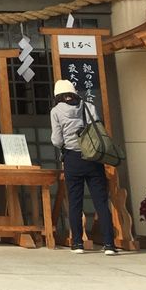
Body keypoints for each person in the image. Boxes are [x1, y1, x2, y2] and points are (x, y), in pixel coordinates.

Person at [50, 79, 117, 256]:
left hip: (72, 158)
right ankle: (109, 244)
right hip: (93, 157)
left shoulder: (56, 111)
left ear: (57, 95)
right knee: (101, 201)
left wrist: (66, 142)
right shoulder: (88, 107)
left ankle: (78, 243)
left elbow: (57, 140)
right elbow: (98, 129)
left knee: (75, 202)